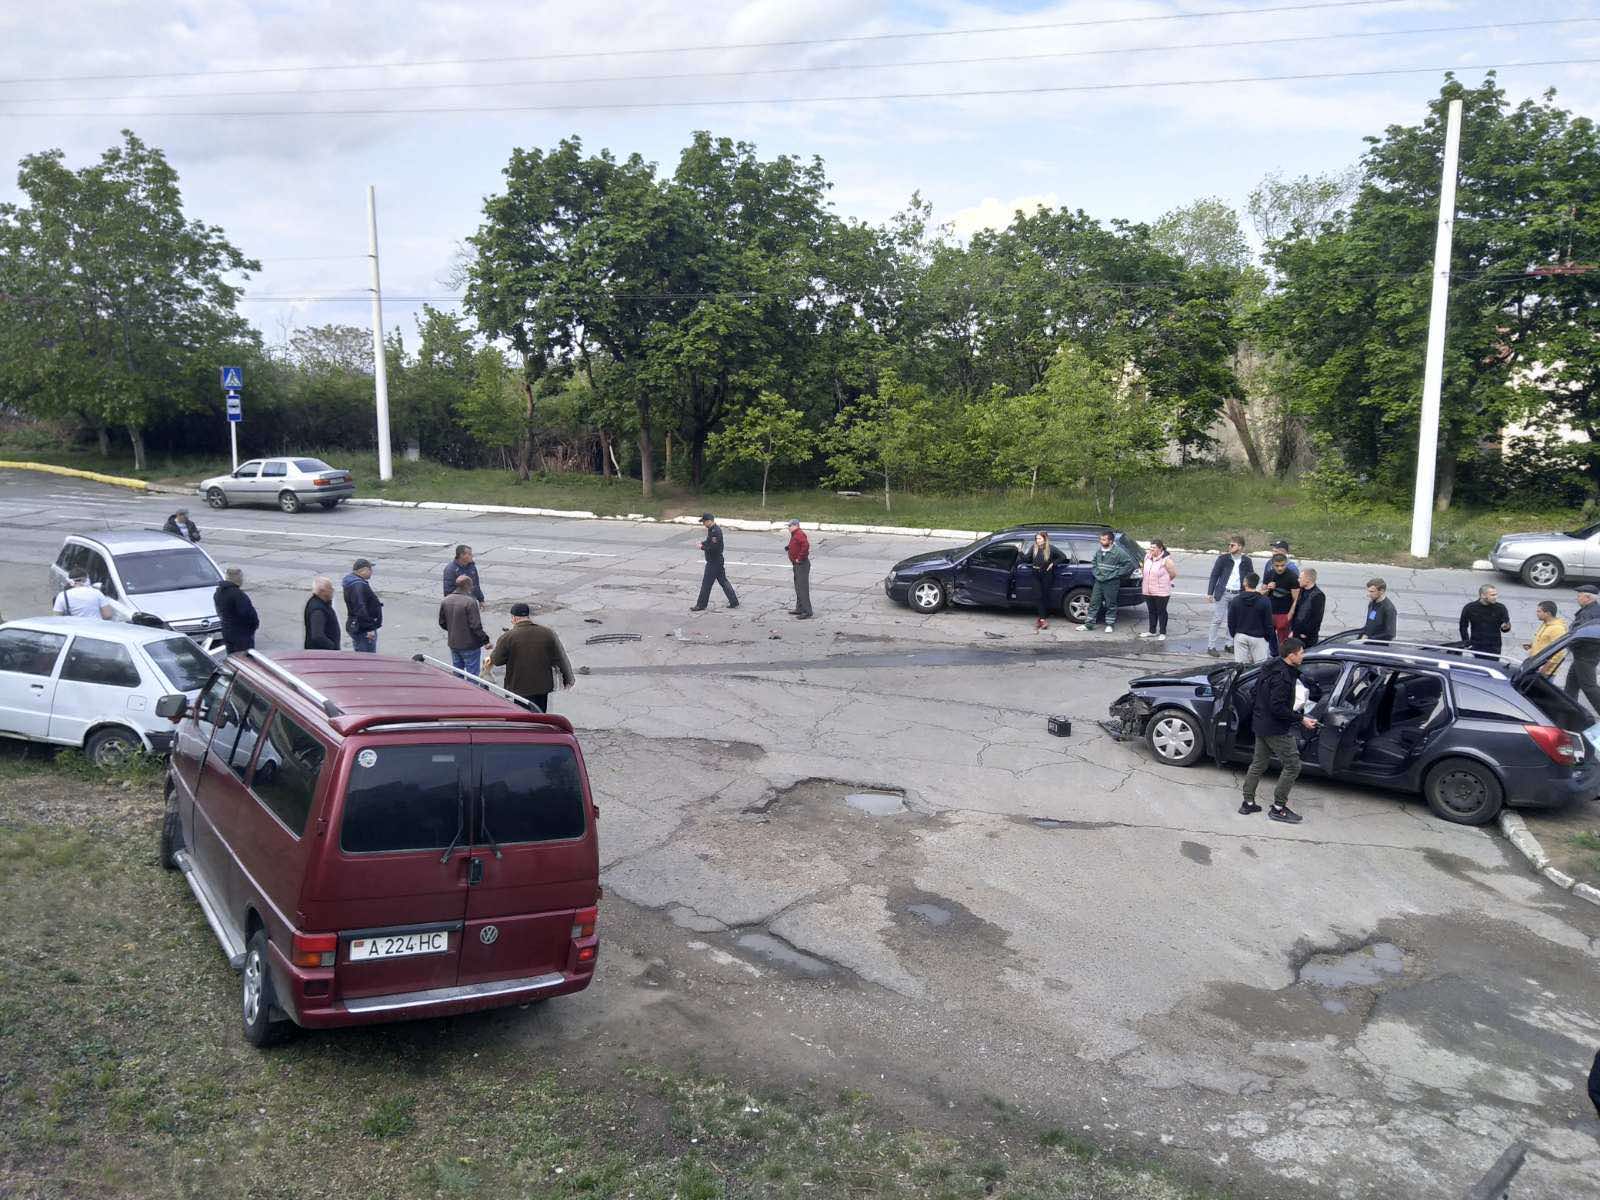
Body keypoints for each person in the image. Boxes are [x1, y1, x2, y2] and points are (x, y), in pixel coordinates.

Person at [1239, 636, 1318, 824]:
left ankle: (1247, 802)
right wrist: (1302, 719)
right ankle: (1278, 807)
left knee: (1258, 764)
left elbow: (1255, 692)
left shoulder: (1271, 666)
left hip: (1260, 724)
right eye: (1301, 653)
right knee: (1293, 766)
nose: (1303, 656)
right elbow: (1278, 708)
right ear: (1291, 656)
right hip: (1275, 728)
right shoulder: (1283, 679)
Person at [489, 602, 575, 711]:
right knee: (540, 714)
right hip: (543, 685)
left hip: (520, 686)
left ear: (514, 618)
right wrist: (568, 678)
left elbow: (496, 660)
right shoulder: (547, 633)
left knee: (524, 716)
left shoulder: (507, 637)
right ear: (528, 616)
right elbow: (560, 657)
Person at [1079, 530, 1136, 633]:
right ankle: (1089, 625)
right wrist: (1097, 574)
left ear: (1110, 541)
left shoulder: (1118, 552)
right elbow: (1094, 563)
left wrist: (1115, 574)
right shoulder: (1099, 551)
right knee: (1094, 603)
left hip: (1111, 583)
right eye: (1101, 539)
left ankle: (1110, 624)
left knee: (1111, 604)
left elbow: (1129, 565)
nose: (1101, 541)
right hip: (1099, 581)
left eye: (1104, 540)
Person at [1206, 537, 1252, 657]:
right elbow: (1214, 575)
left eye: (1233, 545)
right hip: (1223, 593)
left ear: (1240, 547)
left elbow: (1250, 577)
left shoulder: (1246, 561)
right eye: (1229, 545)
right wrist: (1210, 593)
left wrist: (1249, 593)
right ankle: (1211, 646)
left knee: (1233, 621)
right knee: (1217, 619)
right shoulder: (1223, 559)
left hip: (1238, 594)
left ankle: (1229, 644)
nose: (1230, 547)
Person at [439, 573, 490, 674]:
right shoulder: (470, 602)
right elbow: (476, 626)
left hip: (454, 643)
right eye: (471, 585)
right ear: (467, 586)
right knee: (472, 675)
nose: (472, 588)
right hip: (470, 645)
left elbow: (442, 623)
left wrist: (454, 630)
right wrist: (486, 640)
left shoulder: (446, 600)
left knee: (457, 673)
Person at [690, 513, 739, 612]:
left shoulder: (715, 532)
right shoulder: (712, 530)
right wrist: (703, 543)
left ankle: (701, 605)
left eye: (704, 522)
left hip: (714, 562)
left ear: (709, 521)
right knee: (723, 581)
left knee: (706, 584)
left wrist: (702, 547)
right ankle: (734, 601)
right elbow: (710, 542)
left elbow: (714, 548)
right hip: (717, 561)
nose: (703, 524)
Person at [1563, 585, 1600, 714]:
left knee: (1589, 687)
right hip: (1583, 655)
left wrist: (1571, 643)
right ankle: (1568, 711)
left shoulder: (1589, 613)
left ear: (1588, 597)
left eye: (1579, 596)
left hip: (1585, 656)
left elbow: (1582, 635)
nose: (1577, 598)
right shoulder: (1593, 609)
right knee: (1571, 686)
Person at [1228, 573, 1279, 663]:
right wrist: (1267, 637)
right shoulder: (1264, 601)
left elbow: (1231, 621)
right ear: (1257, 584)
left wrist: (1234, 634)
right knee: (1260, 668)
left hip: (1241, 635)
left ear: (1245, 583)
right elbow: (1268, 622)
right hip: (1259, 637)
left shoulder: (1236, 600)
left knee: (1241, 667)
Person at [213, 567, 259, 654]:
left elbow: (219, 611)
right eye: (241, 577)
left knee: (232, 657)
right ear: (237, 578)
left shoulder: (218, 593)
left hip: (227, 631)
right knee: (245, 659)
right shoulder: (238, 595)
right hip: (242, 634)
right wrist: (254, 625)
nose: (242, 580)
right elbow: (247, 614)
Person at [342, 558, 383, 653]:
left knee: (363, 654)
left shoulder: (353, 582)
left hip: (357, 625)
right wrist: (369, 629)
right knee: (367, 657)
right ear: (363, 570)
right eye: (370, 569)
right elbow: (359, 608)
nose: (371, 572)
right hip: (362, 629)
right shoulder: (358, 585)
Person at [1139, 539, 1177, 642]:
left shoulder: (1166, 560)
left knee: (1161, 611)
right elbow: (1144, 570)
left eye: (1154, 548)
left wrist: (1164, 582)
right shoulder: (1147, 557)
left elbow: (1173, 574)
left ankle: (1163, 632)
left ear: (1160, 548)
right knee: (1152, 611)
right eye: (1150, 547)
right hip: (1148, 589)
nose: (1151, 550)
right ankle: (1152, 631)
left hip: (1161, 591)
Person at [1457, 584, 1512, 655]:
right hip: (1476, 645)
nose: (1495, 597)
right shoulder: (1469, 608)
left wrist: (1506, 627)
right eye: (1492, 595)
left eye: (1496, 594)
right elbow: (1463, 626)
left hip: (1494, 646)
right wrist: (1466, 642)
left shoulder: (1501, 608)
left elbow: (1505, 627)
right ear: (1483, 595)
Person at [1260, 551, 1301, 644]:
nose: (1280, 568)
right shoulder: (1269, 574)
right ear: (1273, 565)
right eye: (1277, 565)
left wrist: (1290, 615)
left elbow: (1296, 599)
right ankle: (1274, 655)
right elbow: (1262, 595)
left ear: (1286, 563)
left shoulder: (1292, 577)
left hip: (1284, 613)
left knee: (1284, 642)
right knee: (1268, 638)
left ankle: (1282, 657)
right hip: (1270, 612)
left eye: (1282, 565)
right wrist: (1268, 588)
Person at [1019, 530, 1054, 630]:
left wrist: (1053, 563)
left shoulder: (1050, 548)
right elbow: (1026, 559)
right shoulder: (1033, 548)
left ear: (1045, 539)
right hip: (1035, 574)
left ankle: (1041, 618)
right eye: (1036, 538)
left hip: (1046, 575)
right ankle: (1042, 619)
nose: (1037, 540)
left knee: (1044, 596)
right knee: (1038, 596)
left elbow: (1062, 557)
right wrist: (1020, 552)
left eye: (1039, 538)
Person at [1524, 601, 1567, 678]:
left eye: (1539, 611)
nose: (1537, 613)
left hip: (1543, 671)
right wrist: (1532, 645)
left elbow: (1559, 653)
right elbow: (1544, 640)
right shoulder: (1545, 623)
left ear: (1548, 613)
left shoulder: (1557, 629)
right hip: (1535, 665)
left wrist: (1544, 669)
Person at [303, 577, 341, 651]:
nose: (333, 590)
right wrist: (332, 647)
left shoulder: (321, 603)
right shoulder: (318, 610)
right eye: (330, 588)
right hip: (322, 654)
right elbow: (317, 636)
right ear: (322, 591)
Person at [1290, 567, 1326, 648]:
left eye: (1300, 578)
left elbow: (1316, 619)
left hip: (1307, 637)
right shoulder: (1302, 590)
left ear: (1307, 580)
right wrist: (1293, 630)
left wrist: (1305, 633)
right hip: (1296, 633)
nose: (1298, 580)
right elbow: (1297, 611)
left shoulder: (1318, 595)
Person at [786, 519, 813, 620]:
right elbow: (797, 545)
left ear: (795, 525)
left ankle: (807, 611)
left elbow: (805, 546)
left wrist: (799, 558)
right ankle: (800, 608)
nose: (788, 528)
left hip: (801, 565)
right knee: (798, 587)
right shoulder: (795, 534)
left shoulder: (799, 534)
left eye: (789, 526)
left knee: (802, 588)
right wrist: (789, 548)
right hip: (797, 565)